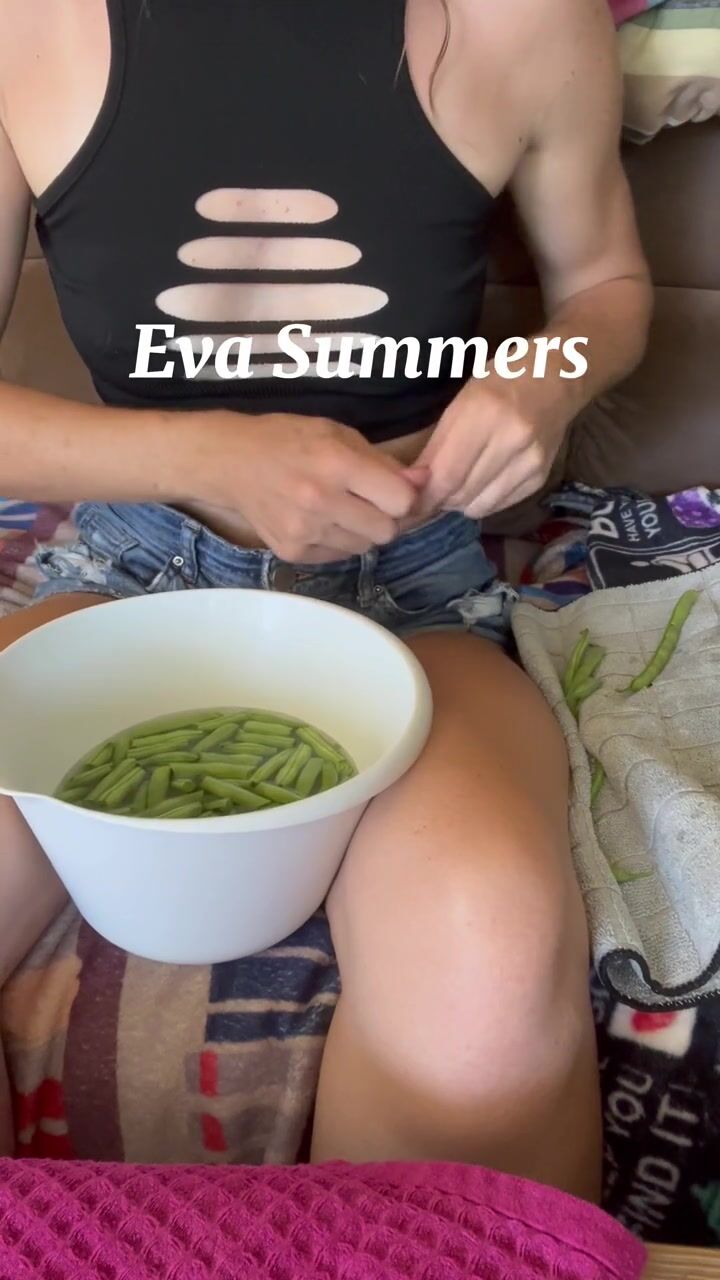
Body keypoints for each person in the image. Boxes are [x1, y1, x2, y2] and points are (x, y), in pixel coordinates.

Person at [0, 0, 651, 1196]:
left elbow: (604, 288)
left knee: (488, 953)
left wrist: (543, 381)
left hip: (413, 584)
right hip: (132, 572)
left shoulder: (530, 19)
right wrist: (207, 455)